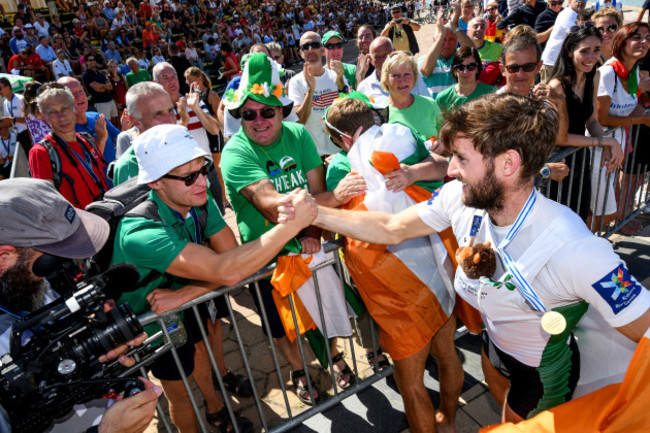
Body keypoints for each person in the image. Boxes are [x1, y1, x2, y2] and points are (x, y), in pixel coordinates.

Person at [288, 92, 650, 424]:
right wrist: (314, 214)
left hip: (539, 379)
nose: (450, 169)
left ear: (508, 164)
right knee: (496, 392)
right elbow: (391, 227)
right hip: (493, 351)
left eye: (461, 158)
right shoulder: (457, 199)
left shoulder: (576, 250)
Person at [112, 123, 315, 433]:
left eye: (203, 168)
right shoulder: (141, 233)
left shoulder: (198, 199)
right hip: (149, 321)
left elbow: (233, 260)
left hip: (179, 299)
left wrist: (186, 294)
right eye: (189, 176)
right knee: (179, 395)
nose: (204, 182)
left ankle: (215, 405)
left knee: (201, 349)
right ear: (155, 183)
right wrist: (288, 227)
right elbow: (230, 269)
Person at [322, 94, 461, 433]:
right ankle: (449, 422)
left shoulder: (342, 167)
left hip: (395, 288)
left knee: (411, 383)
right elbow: (445, 166)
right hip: (434, 269)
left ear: (344, 138)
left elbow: (333, 223)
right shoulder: (404, 141)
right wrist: (412, 173)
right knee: (448, 355)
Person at [221, 53, 355, 405]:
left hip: (311, 247)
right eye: (249, 113)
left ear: (282, 111)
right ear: (240, 117)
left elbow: (315, 190)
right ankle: (298, 369)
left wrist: (312, 231)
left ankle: (333, 356)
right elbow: (275, 205)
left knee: (324, 309)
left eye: (267, 111)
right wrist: (329, 201)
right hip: (267, 258)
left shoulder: (298, 134)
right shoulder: (235, 153)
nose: (259, 120)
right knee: (280, 326)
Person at [0, 177, 162, 433]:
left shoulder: (29, 282)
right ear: (4, 256)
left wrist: (103, 366)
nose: (62, 266)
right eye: (52, 259)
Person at [545, 24, 623, 222]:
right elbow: (560, 138)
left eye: (596, 50)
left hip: (581, 159)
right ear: (570, 51)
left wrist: (605, 139)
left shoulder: (593, 76)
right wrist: (605, 142)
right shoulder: (557, 86)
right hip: (559, 161)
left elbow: (592, 121)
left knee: (579, 216)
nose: (592, 57)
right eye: (584, 51)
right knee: (558, 222)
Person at [595, 22, 650, 235]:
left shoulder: (634, 71)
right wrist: (642, 120)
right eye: (637, 37)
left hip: (616, 147)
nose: (644, 42)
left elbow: (630, 108)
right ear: (622, 41)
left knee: (605, 210)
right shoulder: (609, 72)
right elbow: (603, 118)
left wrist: (643, 113)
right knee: (601, 211)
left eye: (647, 37)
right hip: (598, 148)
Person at [29, 87, 110, 210]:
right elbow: (46, 201)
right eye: (52, 112)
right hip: (79, 225)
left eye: (65, 109)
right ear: (44, 117)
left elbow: (90, 169)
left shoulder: (86, 139)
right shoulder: (41, 152)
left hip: (106, 213)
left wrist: (102, 140)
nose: (61, 117)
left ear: (74, 109)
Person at [288, 31, 348, 156]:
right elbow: (299, 122)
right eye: (305, 47)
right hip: (315, 156)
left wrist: (342, 83)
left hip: (341, 152)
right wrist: (310, 91)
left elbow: (350, 112)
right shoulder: (296, 82)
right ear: (301, 53)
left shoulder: (336, 76)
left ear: (322, 50)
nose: (310, 50)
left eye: (315, 45)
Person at [58, 76, 121, 164]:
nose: (79, 96)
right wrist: (101, 139)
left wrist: (127, 128)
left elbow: (120, 139)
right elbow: (86, 166)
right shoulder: (64, 133)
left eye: (80, 91)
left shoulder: (96, 117)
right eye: (72, 94)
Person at [384, 51, 443, 144]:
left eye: (407, 74)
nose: (402, 81)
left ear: (415, 76)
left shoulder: (430, 105)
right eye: (396, 75)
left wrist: (443, 145)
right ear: (386, 79)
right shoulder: (379, 111)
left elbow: (448, 141)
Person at [419, 7, 472, 98]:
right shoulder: (424, 59)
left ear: (457, 41)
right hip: (435, 110)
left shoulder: (461, 56)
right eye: (443, 39)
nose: (447, 43)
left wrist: (454, 24)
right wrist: (440, 34)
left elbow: (473, 51)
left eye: (451, 39)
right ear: (435, 39)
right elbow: (425, 71)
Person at [436, 46, 495, 111]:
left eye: (471, 66)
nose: (465, 71)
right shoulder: (442, 99)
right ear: (454, 70)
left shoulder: (491, 93)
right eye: (460, 67)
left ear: (478, 68)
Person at [540, 0, 586, 82]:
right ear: (570, 1)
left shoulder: (575, 15)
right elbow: (579, 36)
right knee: (548, 93)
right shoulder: (568, 14)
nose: (581, 1)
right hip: (552, 63)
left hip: (559, 63)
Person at [83, 54, 119, 128]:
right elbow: (97, 89)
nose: (92, 62)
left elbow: (110, 86)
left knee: (115, 121)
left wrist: (102, 86)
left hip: (110, 100)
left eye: (94, 60)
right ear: (86, 62)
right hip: (100, 102)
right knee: (107, 124)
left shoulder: (101, 72)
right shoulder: (86, 75)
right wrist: (105, 86)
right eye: (90, 60)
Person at [0, 77, 30, 154]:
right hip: (18, 135)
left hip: (27, 133)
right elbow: (9, 122)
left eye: (0, 88)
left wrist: (13, 120)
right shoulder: (5, 102)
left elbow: (31, 120)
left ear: (7, 87)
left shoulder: (20, 99)